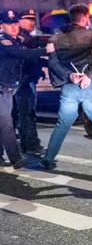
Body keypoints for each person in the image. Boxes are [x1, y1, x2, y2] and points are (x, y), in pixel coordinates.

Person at [40, 5, 92, 170]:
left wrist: (68, 76)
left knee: (63, 123)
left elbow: (52, 62)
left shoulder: (56, 37)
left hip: (69, 86)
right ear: (84, 18)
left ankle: (48, 157)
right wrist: (90, 75)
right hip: (87, 85)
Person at [0, 10, 46, 169]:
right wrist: (47, 50)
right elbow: (21, 54)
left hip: (7, 89)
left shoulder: (14, 40)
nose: (13, 27)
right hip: (2, 89)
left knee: (4, 122)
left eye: (15, 24)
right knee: (6, 123)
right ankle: (16, 159)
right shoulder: (3, 41)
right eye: (9, 24)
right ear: (1, 26)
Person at [15, 8, 44, 156]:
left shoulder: (28, 38)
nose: (32, 22)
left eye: (33, 19)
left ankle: (26, 144)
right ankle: (30, 145)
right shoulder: (18, 38)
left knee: (23, 113)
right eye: (28, 19)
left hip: (27, 79)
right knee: (27, 113)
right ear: (20, 21)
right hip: (22, 81)